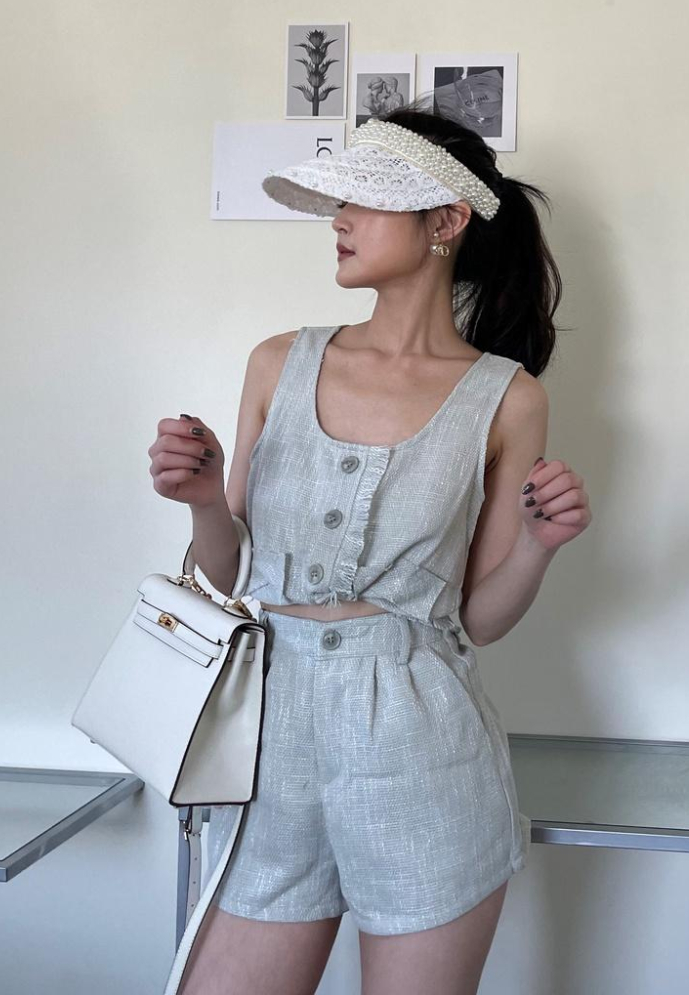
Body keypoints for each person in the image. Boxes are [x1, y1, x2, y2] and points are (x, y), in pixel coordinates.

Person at [148, 100, 592, 995]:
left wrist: (539, 546)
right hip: (269, 741)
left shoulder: (508, 397)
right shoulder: (278, 361)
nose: (338, 219)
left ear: (446, 221)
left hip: (423, 749)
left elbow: (477, 619)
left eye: (363, 199)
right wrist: (202, 499)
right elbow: (225, 576)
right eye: (338, 200)